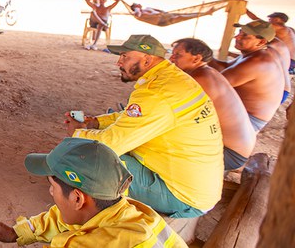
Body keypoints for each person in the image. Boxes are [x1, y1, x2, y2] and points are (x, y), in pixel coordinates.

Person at [66, 35, 223, 218]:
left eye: (125, 57)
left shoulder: (156, 92)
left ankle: (96, 214)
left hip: (181, 198)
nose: (119, 63)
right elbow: (133, 116)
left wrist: (77, 133)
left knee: (91, 156)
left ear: (147, 59)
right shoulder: (174, 79)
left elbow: (109, 145)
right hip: (198, 189)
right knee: (101, 147)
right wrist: (96, 122)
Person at [0, 138, 186, 248]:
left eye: (52, 186)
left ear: (77, 198)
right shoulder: (129, 212)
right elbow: (62, 220)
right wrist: (15, 232)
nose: (51, 192)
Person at [170, 38, 256, 170]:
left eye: (178, 55)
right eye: (172, 53)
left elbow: (169, 111)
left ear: (196, 58)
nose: (171, 58)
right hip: (238, 147)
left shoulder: (200, 79)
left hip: (228, 152)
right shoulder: (208, 72)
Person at [209, 20, 286, 132]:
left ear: (261, 42)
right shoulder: (254, 54)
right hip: (240, 114)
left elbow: (215, 85)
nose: (237, 37)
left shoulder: (257, 62)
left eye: (244, 35)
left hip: (247, 122)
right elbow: (225, 67)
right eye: (240, 32)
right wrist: (203, 53)